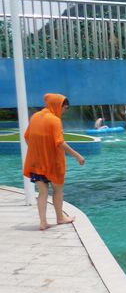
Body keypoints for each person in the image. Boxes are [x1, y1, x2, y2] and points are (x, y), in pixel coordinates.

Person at [23, 93, 85, 231]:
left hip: (36, 163)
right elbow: (60, 143)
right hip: (53, 163)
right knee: (58, 190)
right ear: (58, 105)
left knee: (42, 192)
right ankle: (60, 218)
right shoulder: (54, 120)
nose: (64, 111)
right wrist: (77, 156)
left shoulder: (35, 116)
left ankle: (43, 222)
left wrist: (37, 151)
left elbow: (27, 137)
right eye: (65, 108)